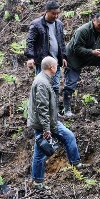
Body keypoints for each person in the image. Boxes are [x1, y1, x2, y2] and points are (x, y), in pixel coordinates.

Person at [27, 56, 81, 190]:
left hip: (51, 122)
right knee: (40, 154)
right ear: (51, 67)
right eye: (57, 66)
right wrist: (46, 129)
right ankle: (38, 182)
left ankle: (76, 164)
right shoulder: (42, 82)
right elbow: (42, 108)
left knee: (68, 136)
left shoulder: (44, 80)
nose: (58, 68)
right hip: (44, 125)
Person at [25, 1, 68, 115]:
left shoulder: (59, 24)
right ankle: (41, 113)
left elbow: (61, 42)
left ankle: (54, 112)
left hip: (56, 61)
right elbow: (30, 41)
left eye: (57, 13)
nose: (56, 16)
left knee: (55, 87)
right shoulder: (36, 24)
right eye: (53, 13)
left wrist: (63, 56)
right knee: (42, 87)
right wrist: (30, 57)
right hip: (42, 62)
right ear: (46, 12)